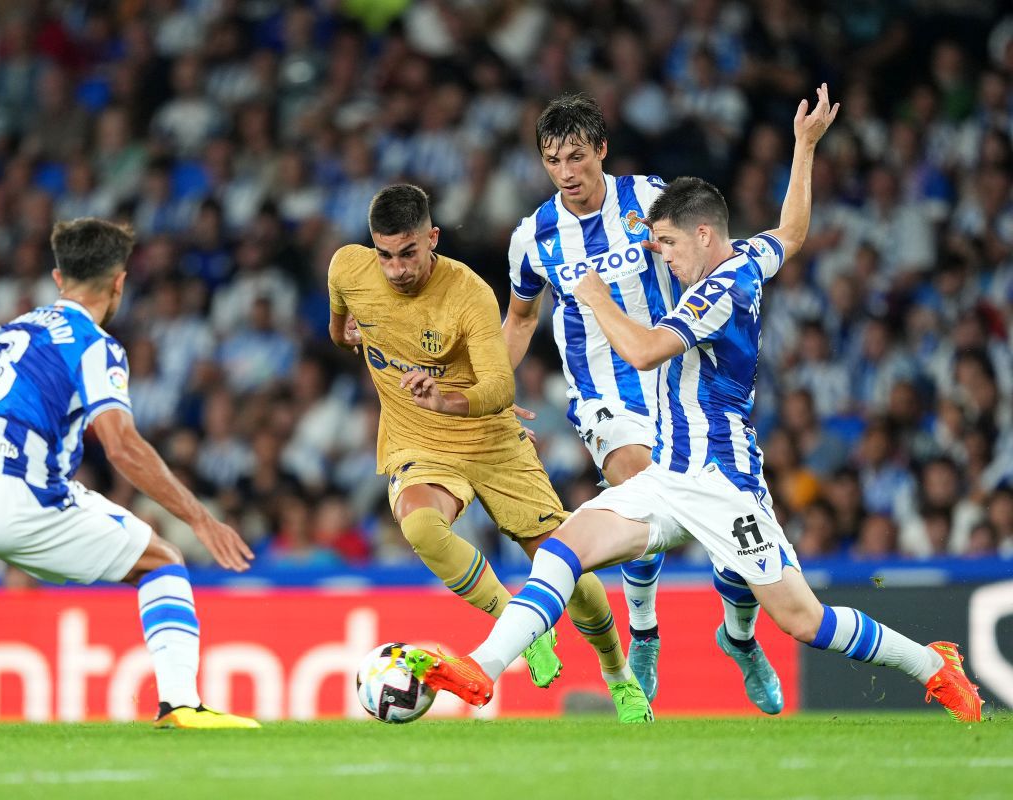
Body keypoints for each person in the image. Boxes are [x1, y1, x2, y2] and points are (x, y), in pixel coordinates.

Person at [407, 86, 985, 724]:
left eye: (668, 246)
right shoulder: (743, 256)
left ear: (701, 235)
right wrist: (804, 147)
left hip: (722, 482)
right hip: (664, 474)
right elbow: (791, 232)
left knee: (802, 618)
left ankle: (932, 665)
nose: (662, 256)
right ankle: (483, 670)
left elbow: (649, 351)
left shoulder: (712, 295)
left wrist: (596, 297)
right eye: (552, 160)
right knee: (562, 550)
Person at [0, 218, 260, 731]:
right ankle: (181, 702)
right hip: (14, 499)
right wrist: (201, 519)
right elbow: (122, 446)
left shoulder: (11, 329)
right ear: (119, 283)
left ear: (57, 277)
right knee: (161, 560)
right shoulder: (94, 344)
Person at [328, 184, 651, 722]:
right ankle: (518, 628)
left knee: (566, 563)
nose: (396, 269)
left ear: (432, 238)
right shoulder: (347, 268)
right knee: (419, 526)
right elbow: (341, 331)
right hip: (418, 439)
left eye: (408, 253)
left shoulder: (467, 293)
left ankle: (618, 673)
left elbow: (500, 387)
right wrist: (351, 338)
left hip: (490, 438)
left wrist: (446, 398)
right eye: (385, 255)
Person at [502, 92, 780, 711]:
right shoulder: (534, 238)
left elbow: (706, 255)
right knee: (636, 482)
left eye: (577, 156)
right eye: (553, 160)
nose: (567, 172)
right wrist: (494, 390)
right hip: (604, 393)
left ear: (602, 150)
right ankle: (645, 633)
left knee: (729, 525)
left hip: (683, 383)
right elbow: (520, 319)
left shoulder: (651, 200)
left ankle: (741, 637)